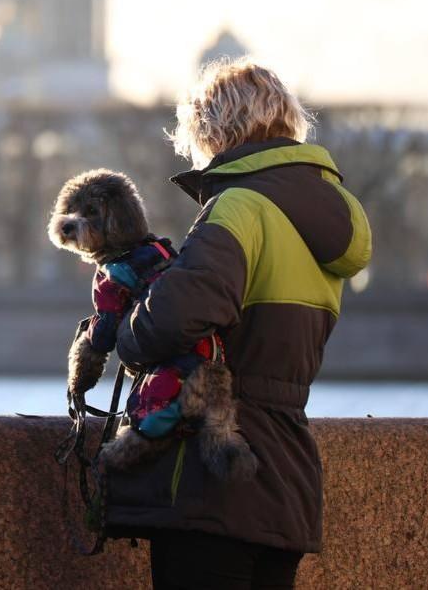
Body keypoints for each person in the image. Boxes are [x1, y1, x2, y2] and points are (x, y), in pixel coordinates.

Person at [102, 58, 372, 589]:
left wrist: (128, 329)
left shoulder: (241, 206)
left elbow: (170, 321)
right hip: (287, 476)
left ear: (215, 129)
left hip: (216, 475)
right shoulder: (326, 222)